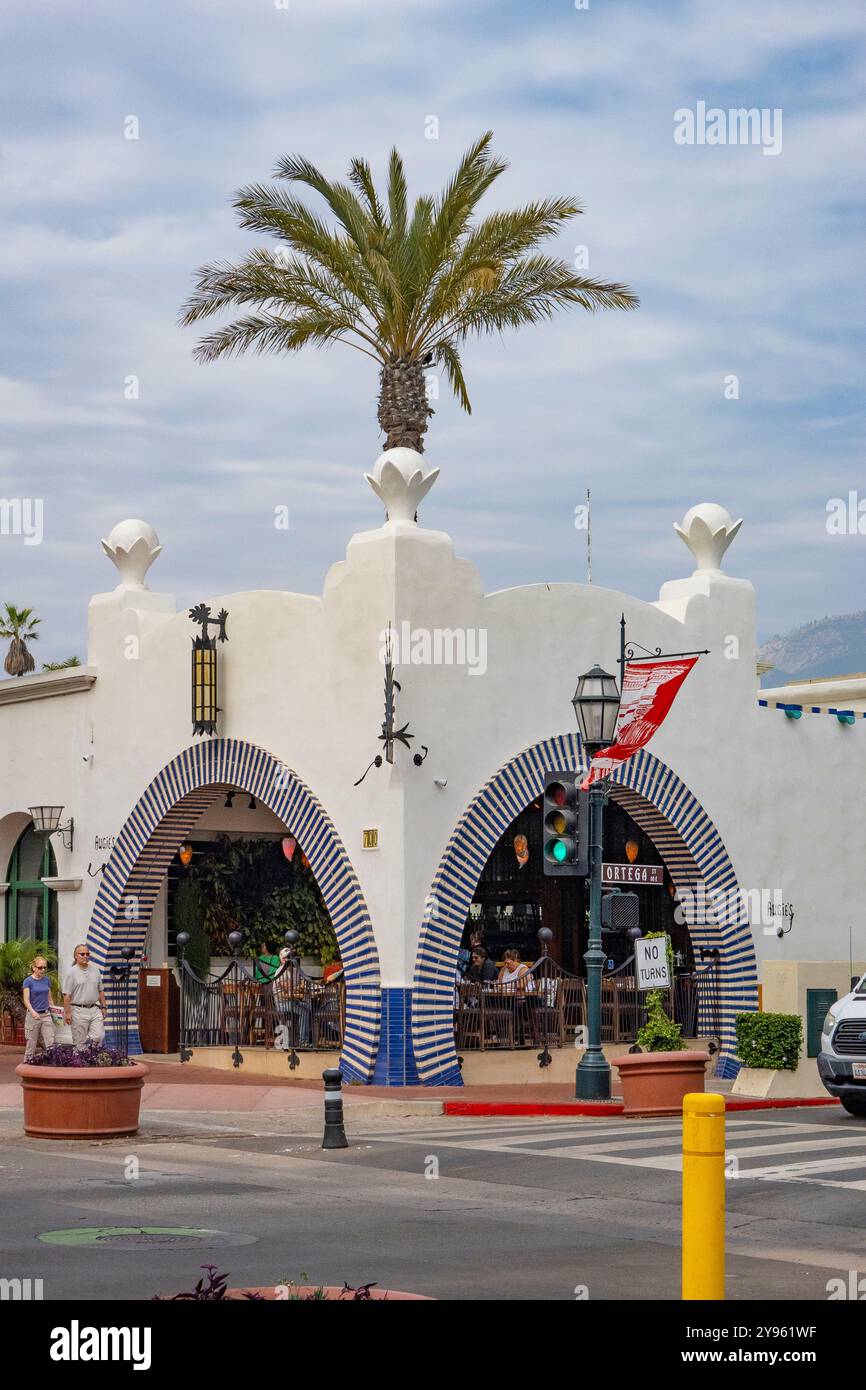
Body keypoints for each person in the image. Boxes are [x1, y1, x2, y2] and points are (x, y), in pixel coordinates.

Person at [62, 944, 107, 1049]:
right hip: (78, 1010)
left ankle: (92, 1056)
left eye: (87, 954)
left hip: (94, 1009)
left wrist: (104, 1007)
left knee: (99, 1036)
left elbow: (100, 991)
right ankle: (80, 1061)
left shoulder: (95, 970)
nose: (85, 956)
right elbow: (66, 995)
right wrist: (67, 1013)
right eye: (82, 954)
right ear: (76, 956)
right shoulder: (71, 973)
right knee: (80, 1041)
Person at [22, 956, 54, 1060]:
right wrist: (33, 1012)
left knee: (50, 1042)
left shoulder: (47, 980)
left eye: (45, 967)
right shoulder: (28, 981)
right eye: (40, 967)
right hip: (33, 1016)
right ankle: (27, 1066)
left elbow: (50, 998)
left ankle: (52, 1065)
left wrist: (55, 1012)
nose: (43, 970)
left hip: (46, 1015)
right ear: (34, 967)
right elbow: (26, 1000)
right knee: (31, 1044)